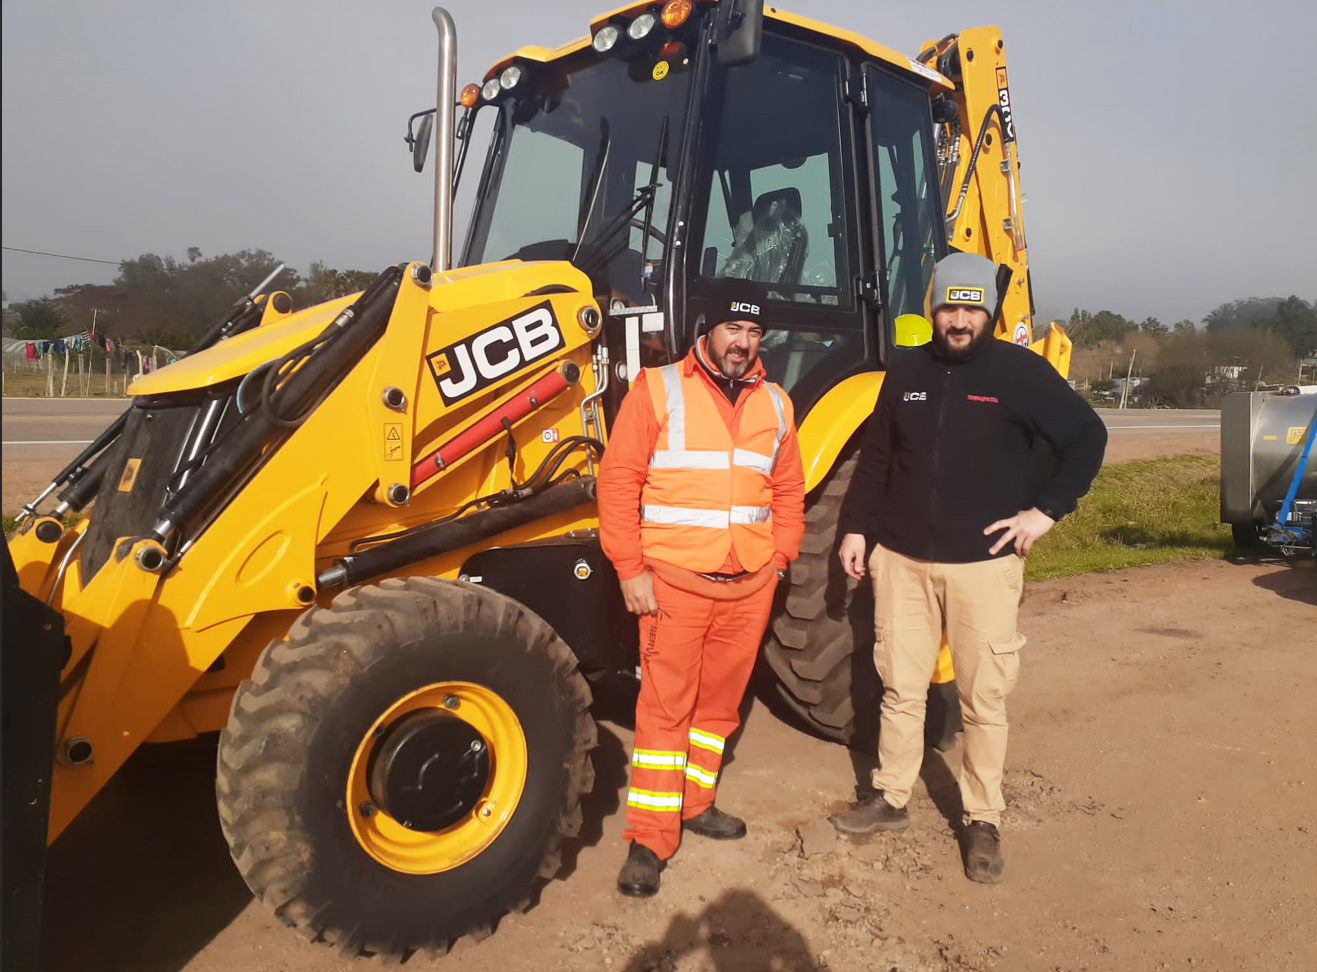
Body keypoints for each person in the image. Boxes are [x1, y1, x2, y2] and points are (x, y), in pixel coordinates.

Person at [827, 251, 1107, 884]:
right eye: (948, 307)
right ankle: (890, 797)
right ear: (933, 310)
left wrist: (1045, 512)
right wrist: (857, 529)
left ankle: (982, 819)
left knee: (983, 699)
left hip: (983, 567)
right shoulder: (906, 372)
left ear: (989, 312)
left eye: (971, 308)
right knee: (901, 690)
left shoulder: (1021, 372)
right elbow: (877, 460)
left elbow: (1087, 437)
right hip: (901, 561)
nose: (958, 320)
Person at [597, 285, 806, 898]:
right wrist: (630, 570)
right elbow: (618, 483)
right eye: (732, 329)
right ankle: (650, 838)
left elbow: (788, 491)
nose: (743, 343)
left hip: (749, 585)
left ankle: (695, 804)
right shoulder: (657, 389)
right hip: (674, 585)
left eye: (754, 332)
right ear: (707, 330)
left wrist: (780, 559)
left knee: (718, 710)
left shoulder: (777, 403)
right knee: (665, 709)